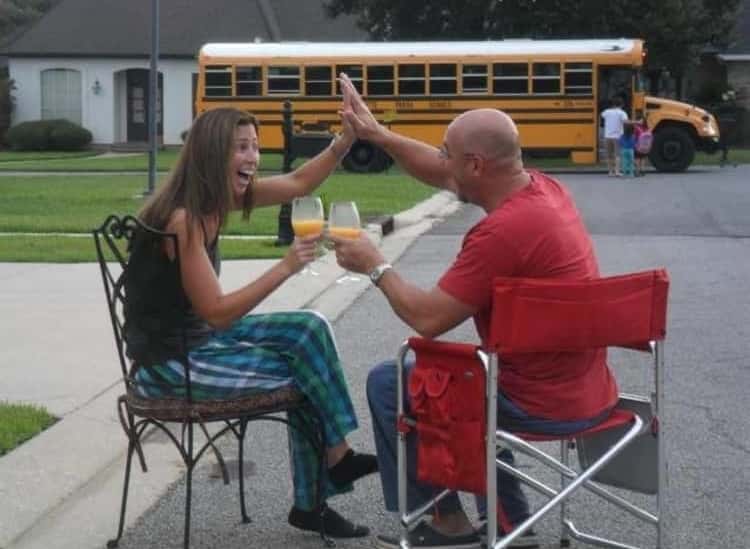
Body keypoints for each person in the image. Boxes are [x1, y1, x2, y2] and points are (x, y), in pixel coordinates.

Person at [330, 74, 619, 549]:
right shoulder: (545, 192)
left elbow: (427, 319)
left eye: (448, 153)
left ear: (477, 165)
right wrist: (378, 135)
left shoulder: (501, 235)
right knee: (477, 375)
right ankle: (511, 528)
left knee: (395, 380)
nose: (442, 161)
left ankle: (448, 524)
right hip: (587, 389)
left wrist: (375, 265)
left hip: (535, 400)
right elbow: (445, 173)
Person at [124, 106, 377, 538]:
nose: (253, 157)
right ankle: (313, 500)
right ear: (210, 153)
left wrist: (345, 140)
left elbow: (299, 183)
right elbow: (218, 310)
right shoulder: (182, 218)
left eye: (256, 147)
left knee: (309, 328)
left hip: (199, 340)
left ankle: (338, 455)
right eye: (241, 147)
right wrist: (285, 267)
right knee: (305, 375)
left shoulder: (217, 198)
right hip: (168, 366)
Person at [600, 97, 629, 176]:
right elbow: (626, 122)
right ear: (622, 105)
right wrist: (637, 122)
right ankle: (617, 171)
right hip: (617, 136)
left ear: (613, 104)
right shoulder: (622, 113)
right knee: (617, 155)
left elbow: (602, 115)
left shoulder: (606, 112)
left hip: (607, 136)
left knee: (609, 155)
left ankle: (610, 171)